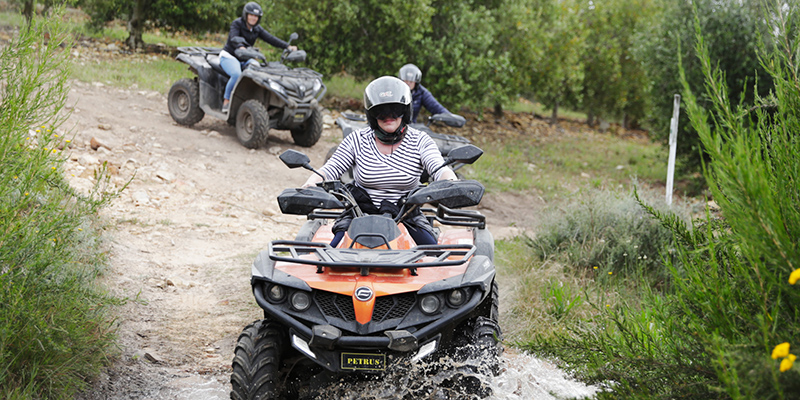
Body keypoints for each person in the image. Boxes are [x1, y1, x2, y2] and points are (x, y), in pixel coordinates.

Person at [303, 76, 458, 247]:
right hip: (359, 215)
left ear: (405, 111)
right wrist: (309, 185)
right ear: (371, 114)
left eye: (395, 110)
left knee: (434, 260)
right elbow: (330, 169)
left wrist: (451, 182)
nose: (388, 117)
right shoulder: (357, 139)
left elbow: (439, 168)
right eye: (381, 111)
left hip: (406, 216)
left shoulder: (420, 140)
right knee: (329, 259)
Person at [219, 2, 297, 112]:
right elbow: (233, 37)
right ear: (245, 15)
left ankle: (251, 99)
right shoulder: (237, 24)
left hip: (245, 58)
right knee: (237, 74)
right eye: (251, 15)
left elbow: (271, 38)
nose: (253, 18)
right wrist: (241, 47)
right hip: (230, 56)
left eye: (256, 16)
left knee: (258, 72)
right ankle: (226, 101)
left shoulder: (256, 29)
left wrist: (288, 46)